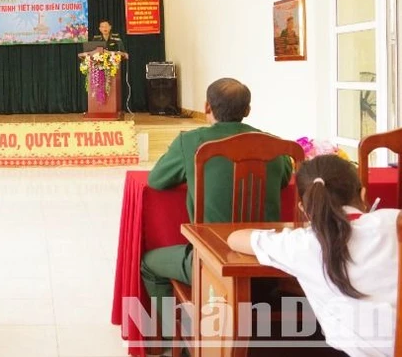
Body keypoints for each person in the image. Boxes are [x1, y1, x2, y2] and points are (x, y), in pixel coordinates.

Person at [141, 78, 292, 340]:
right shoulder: (274, 145)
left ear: (206, 107)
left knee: (149, 264)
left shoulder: (191, 142)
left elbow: (156, 181)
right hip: (269, 260)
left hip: (210, 263)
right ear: (248, 110)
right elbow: (284, 179)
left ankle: (181, 339)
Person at [228, 155, 398, 356]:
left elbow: (235, 238)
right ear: (362, 195)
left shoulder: (302, 244)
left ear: (304, 209)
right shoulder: (393, 220)